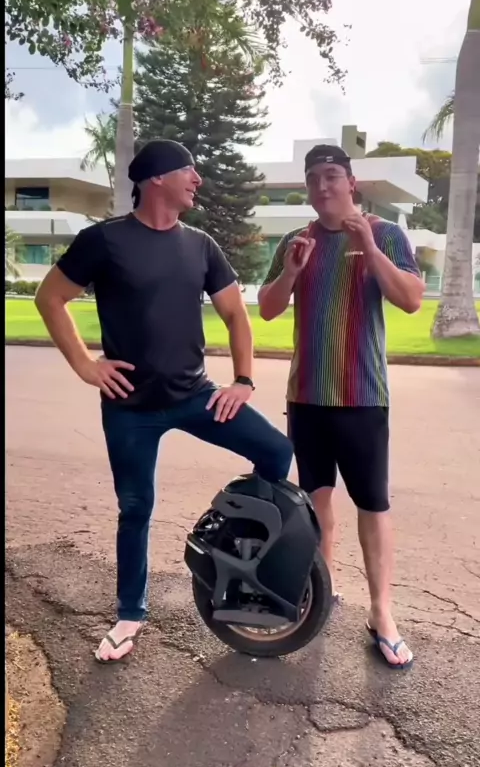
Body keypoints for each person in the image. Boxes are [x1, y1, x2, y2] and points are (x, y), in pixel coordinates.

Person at [35, 139, 293, 663]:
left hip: (195, 395)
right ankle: (130, 613)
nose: (197, 179)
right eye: (188, 170)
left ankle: (235, 542)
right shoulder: (103, 241)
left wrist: (243, 380)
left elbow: (236, 315)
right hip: (129, 408)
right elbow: (50, 297)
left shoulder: (201, 245)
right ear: (156, 179)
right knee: (135, 509)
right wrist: (85, 365)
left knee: (275, 451)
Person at [258, 144, 425, 670]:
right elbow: (267, 309)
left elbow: (411, 299)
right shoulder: (295, 240)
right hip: (306, 396)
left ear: (351, 183)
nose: (322, 186)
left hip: (362, 396)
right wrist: (291, 272)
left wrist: (369, 249)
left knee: (372, 504)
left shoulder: (386, 233)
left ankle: (381, 613)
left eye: (332, 175)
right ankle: (321, 595)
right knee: (316, 502)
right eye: (313, 178)